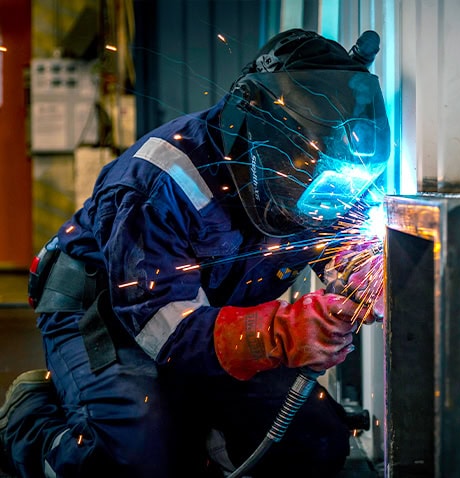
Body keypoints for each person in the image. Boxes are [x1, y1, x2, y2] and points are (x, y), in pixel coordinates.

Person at [0, 28, 389, 478]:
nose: (322, 194)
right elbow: (163, 327)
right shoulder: (158, 180)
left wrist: (357, 272)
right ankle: (29, 419)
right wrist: (279, 334)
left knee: (314, 443)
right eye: (302, 174)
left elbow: (336, 237)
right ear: (256, 133)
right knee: (132, 460)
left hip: (208, 318)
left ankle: (184, 434)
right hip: (104, 312)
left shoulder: (314, 165)